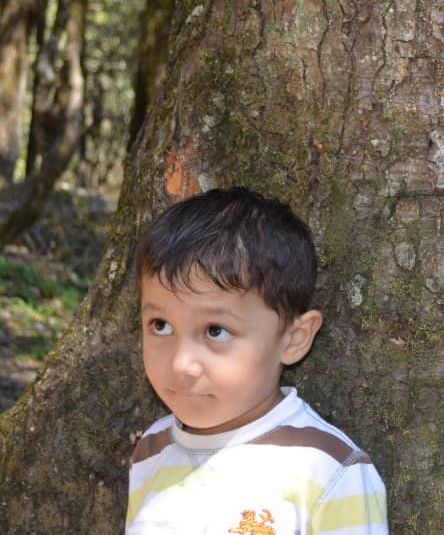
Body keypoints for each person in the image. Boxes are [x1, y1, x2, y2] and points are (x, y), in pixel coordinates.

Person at [126, 187, 388, 534]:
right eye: (161, 325)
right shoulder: (151, 451)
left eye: (215, 331)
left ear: (294, 339)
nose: (181, 363)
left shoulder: (328, 469)